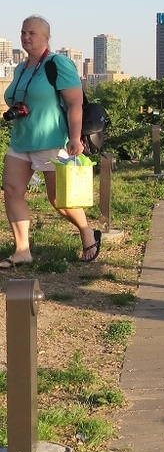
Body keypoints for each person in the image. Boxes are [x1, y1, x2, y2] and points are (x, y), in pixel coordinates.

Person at [1, 16, 102, 268]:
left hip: (53, 140)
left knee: (58, 200)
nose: (26, 37)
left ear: (46, 37)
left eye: (32, 33)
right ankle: (22, 250)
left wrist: (76, 138)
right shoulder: (20, 68)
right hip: (22, 139)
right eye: (23, 32)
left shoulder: (58, 64)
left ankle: (87, 232)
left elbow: (74, 103)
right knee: (12, 192)